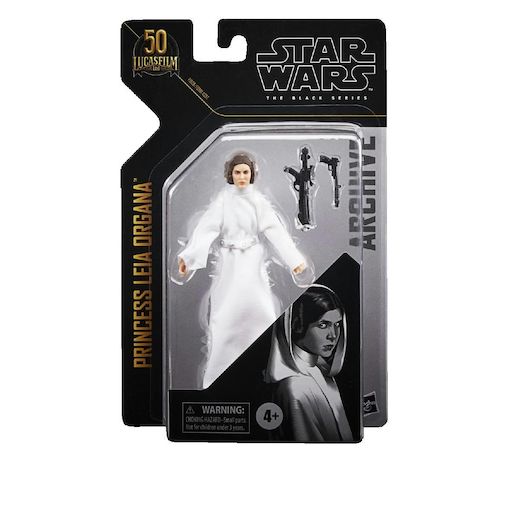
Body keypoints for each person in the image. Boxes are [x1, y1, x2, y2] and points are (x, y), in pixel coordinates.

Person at [178, 152, 306, 388]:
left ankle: (266, 371)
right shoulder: (223, 201)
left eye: (245, 172)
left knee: (262, 312)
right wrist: (190, 257)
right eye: (237, 172)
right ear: (230, 174)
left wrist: (294, 260)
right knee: (224, 318)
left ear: (252, 174)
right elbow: (206, 228)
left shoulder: (258, 201)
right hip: (229, 264)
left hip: (253, 263)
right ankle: (218, 376)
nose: (241, 177)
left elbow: (275, 230)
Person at [264, 285, 354, 442]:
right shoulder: (295, 388)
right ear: (297, 325)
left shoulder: (320, 370)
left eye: (337, 325)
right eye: (323, 325)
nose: (333, 335)